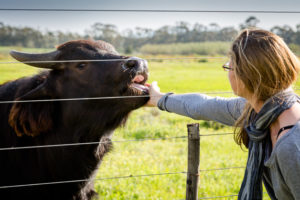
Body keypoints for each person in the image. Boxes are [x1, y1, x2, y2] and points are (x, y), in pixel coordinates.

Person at [145, 28, 300, 200]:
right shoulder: (256, 112)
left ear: (247, 74)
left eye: (229, 66)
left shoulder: (291, 146)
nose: (228, 72)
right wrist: (158, 99)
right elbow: (202, 106)